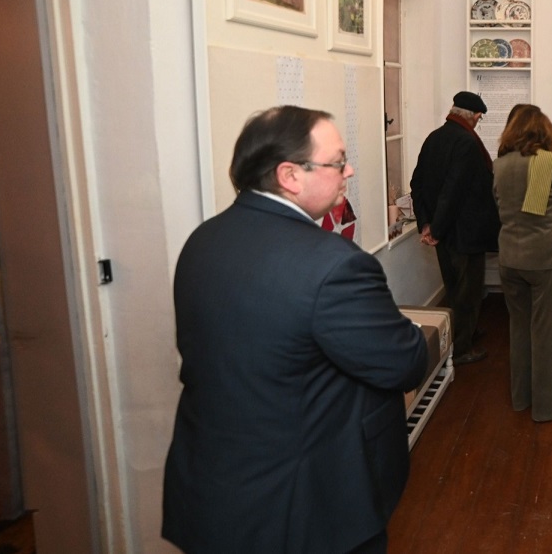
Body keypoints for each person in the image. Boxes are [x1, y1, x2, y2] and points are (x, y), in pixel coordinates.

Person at [162, 106, 429, 554]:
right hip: (306, 508)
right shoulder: (334, 265)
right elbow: (405, 362)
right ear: (289, 175)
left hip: (213, 493)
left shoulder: (203, 240)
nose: (349, 171)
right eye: (337, 161)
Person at [493, 105, 552, 422]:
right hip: (546, 261)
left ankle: (521, 398)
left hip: (510, 258)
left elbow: (499, 202)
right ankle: (546, 407)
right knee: (545, 333)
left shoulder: (501, 164)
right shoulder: (547, 162)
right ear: (543, 132)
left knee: (519, 329)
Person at [410, 90, 501, 365]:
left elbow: (417, 184)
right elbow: (453, 190)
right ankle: (461, 348)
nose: (478, 122)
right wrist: (435, 229)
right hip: (465, 233)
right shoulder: (467, 142)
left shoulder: (433, 138)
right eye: (479, 118)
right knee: (468, 292)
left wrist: (426, 224)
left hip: (444, 232)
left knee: (453, 288)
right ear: (473, 116)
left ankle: (465, 333)